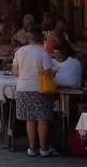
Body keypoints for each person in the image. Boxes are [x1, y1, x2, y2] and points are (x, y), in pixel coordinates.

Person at [12, 27, 57, 157]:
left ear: (29, 39)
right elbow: (48, 72)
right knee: (42, 118)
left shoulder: (20, 51)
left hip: (23, 87)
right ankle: (43, 148)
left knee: (30, 119)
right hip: (39, 88)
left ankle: (31, 147)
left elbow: (15, 71)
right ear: (41, 39)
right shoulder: (43, 52)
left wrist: (26, 74)